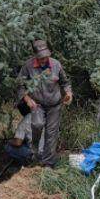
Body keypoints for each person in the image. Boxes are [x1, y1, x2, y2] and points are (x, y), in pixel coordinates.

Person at [16, 39, 72, 168]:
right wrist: (27, 99)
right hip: (37, 104)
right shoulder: (28, 66)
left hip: (55, 104)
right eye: (41, 58)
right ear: (35, 56)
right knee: (37, 124)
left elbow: (65, 82)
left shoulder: (56, 65)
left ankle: (48, 163)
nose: (44, 60)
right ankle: (35, 150)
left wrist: (68, 93)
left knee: (51, 133)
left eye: (46, 57)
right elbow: (20, 85)